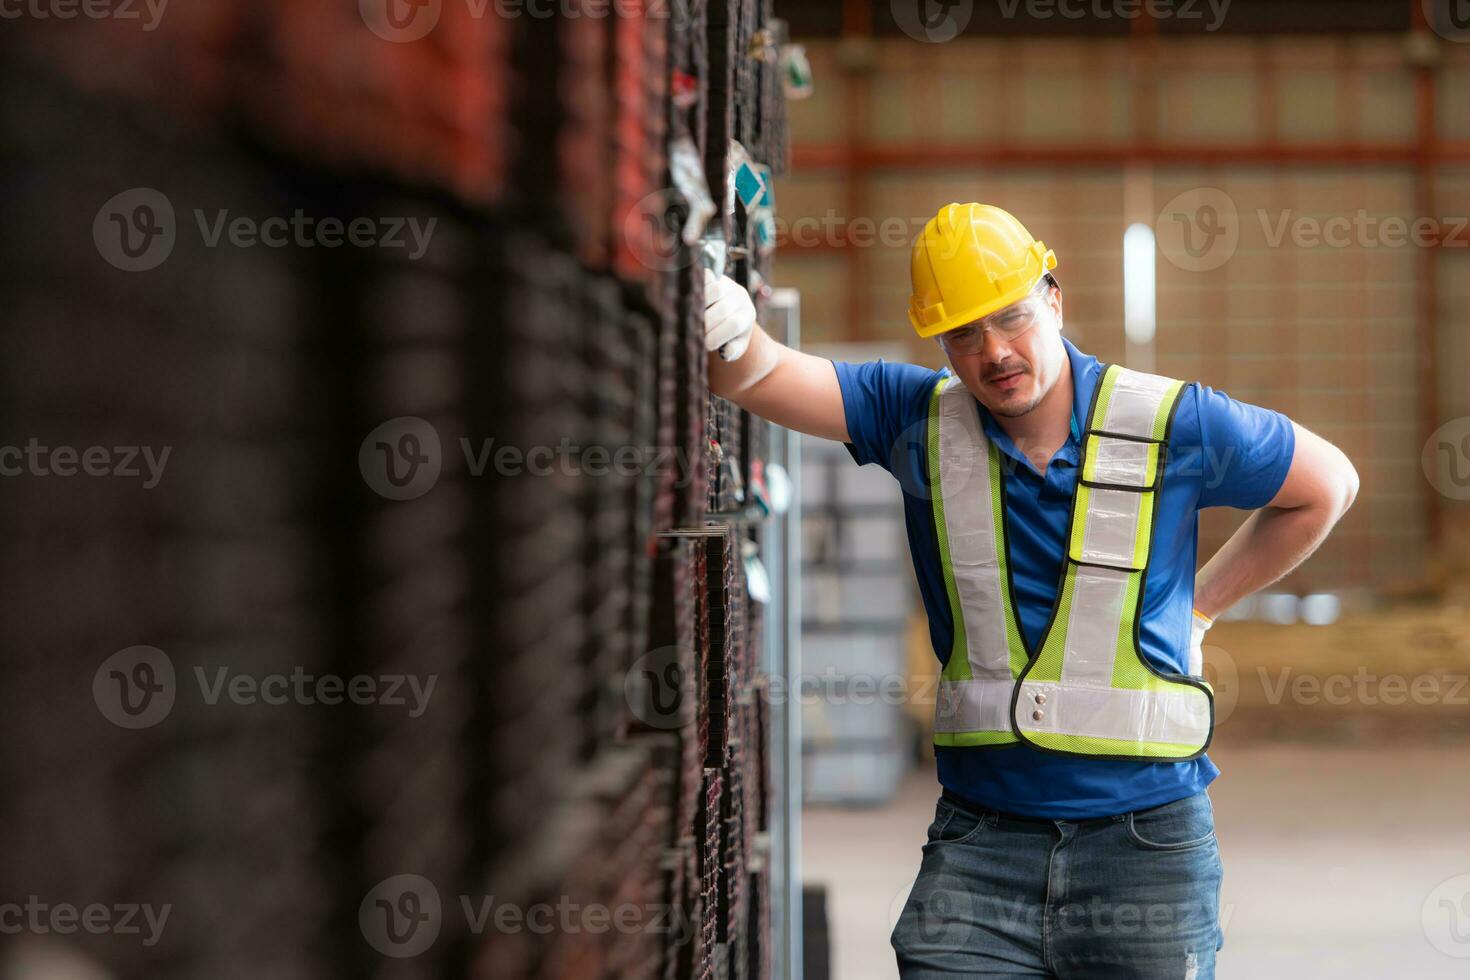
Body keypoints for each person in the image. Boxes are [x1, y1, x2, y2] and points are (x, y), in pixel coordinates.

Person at [702, 202, 1358, 979]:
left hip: (1146, 845)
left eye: (1010, 317)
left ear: (1053, 297)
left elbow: (1327, 484)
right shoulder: (911, 417)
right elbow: (762, 375)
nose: (994, 352)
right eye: (963, 333)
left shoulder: (1172, 423)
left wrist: (1203, 607)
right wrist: (732, 330)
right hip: (980, 847)